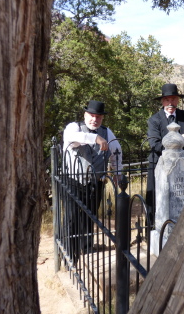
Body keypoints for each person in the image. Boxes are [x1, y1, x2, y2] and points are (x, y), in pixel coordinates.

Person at [62, 100, 122, 260]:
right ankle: (69, 252)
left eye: (98, 117)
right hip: (74, 181)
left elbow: (117, 151)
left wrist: (117, 173)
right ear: (85, 114)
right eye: (91, 115)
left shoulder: (107, 132)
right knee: (72, 217)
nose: (94, 119)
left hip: (96, 182)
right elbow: (71, 138)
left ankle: (87, 249)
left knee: (91, 217)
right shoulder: (74, 127)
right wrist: (95, 138)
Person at [146, 84, 184, 225]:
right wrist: (180, 140)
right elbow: (155, 145)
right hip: (159, 167)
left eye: (173, 99)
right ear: (162, 102)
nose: (170, 103)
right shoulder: (154, 120)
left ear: (178, 100)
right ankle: (152, 232)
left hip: (183, 167)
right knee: (155, 201)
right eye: (167, 100)